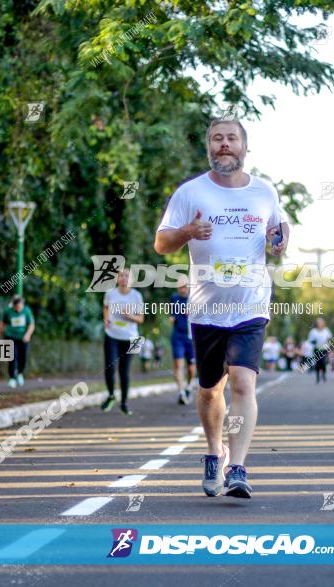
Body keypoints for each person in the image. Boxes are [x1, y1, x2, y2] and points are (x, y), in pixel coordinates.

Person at [154, 117, 289, 499]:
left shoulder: (265, 192)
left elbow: (279, 231)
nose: (224, 144)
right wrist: (186, 233)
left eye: (232, 138)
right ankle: (214, 452)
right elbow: (162, 244)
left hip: (251, 304)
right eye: (217, 139)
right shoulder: (190, 192)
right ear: (209, 148)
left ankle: (238, 467)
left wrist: (279, 241)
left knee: (244, 382)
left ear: (245, 147)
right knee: (211, 390)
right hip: (206, 309)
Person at [102, 269, 144, 415]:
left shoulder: (137, 296)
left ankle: (124, 403)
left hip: (131, 338)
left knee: (124, 371)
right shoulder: (110, 294)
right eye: (121, 276)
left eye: (127, 276)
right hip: (111, 335)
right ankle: (111, 395)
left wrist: (129, 315)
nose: (124, 278)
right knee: (109, 367)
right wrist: (106, 319)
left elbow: (141, 319)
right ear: (117, 278)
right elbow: (106, 307)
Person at [0, 295, 35, 388]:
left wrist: (28, 335)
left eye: (20, 306)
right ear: (13, 306)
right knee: (12, 358)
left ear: (22, 305)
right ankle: (12, 378)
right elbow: (2, 324)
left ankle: (19, 373)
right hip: (10, 337)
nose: (18, 309)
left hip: (23, 338)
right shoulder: (8, 311)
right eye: (16, 307)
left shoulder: (26, 311)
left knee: (23, 358)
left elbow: (31, 325)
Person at [169, 276, 196, 405]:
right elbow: (171, 314)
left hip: (191, 337)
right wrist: (171, 318)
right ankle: (181, 392)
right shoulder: (174, 298)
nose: (183, 289)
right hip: (178, 336)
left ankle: (189, 386)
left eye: (185, 286)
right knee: (178, 365)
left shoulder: (195, 298)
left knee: (191, 368)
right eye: (180, 286)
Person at [307, 317, 332, 384]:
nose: (320, 324)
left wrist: (330, 348)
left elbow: (329, 339)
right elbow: (310, 340)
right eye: (318, 323)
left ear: (323, 323)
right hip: (316, 349)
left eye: (321, 323)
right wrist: (314, 341)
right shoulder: (313, 331)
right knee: (318, 363)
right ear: (317, 324)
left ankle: (323, 375)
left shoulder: (326, 330)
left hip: (324, 349)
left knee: (323, 362)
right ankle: (317, 377)